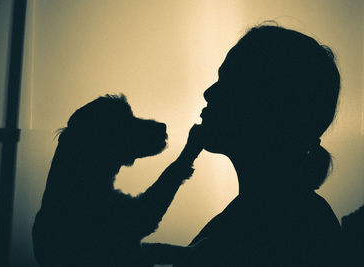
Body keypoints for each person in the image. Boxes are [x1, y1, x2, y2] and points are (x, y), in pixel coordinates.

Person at [145, 24, 342, 266]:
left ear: (271, 104)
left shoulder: (292, 224)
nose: (209, 93)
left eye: (229, 82)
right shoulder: (279, 215)